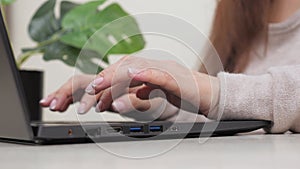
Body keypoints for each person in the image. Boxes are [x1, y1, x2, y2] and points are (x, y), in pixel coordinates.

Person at [40, 0, 300, 133]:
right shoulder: (239, 11)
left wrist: (217, 91)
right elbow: (222, 115)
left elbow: (219, 93)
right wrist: (160, 104)